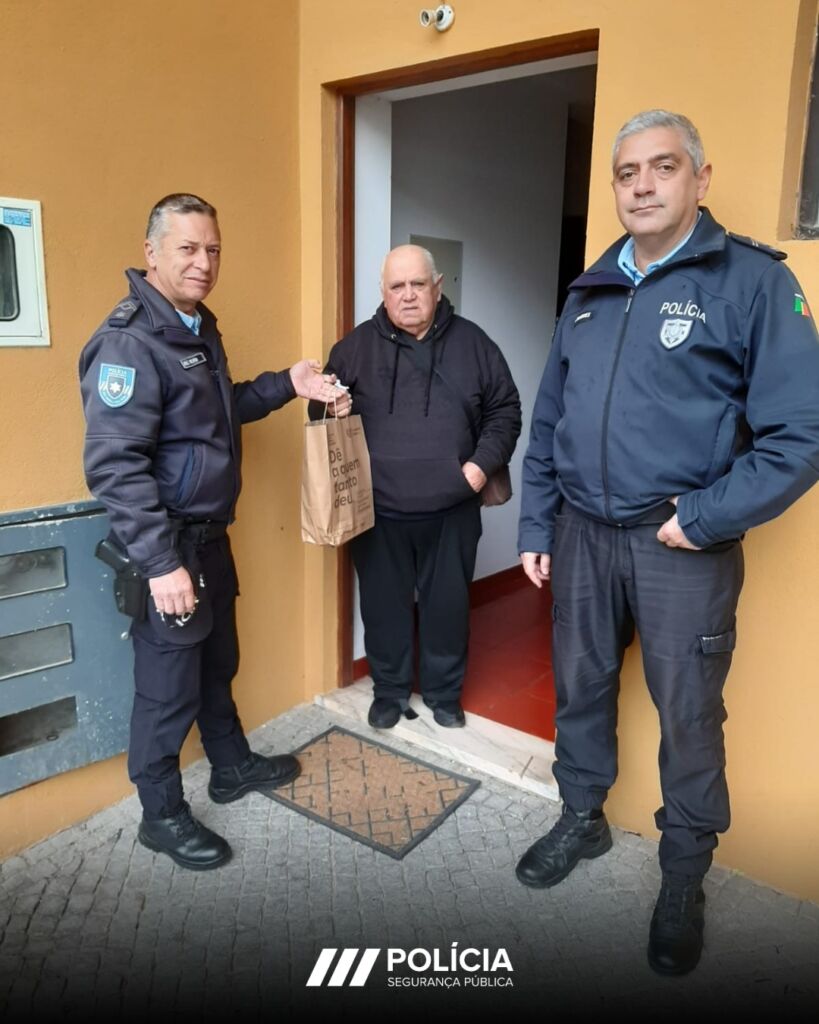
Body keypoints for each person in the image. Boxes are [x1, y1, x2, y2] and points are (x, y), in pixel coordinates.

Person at [516, 111, 819, 975]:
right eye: (626, 172)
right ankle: (580, 817)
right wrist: (536, 524)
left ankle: (683, 875)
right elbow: (550, 420)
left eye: (662, 167)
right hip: (580, 534)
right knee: (580, 688)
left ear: (700, 178)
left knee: (687, 715)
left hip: (677, 546)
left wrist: (705, 518)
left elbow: (800, 436)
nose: (641, 185)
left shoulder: (753, 282)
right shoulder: (589, 289)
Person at [79, 193, 350, 871]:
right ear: (151, 253)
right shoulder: (130, 342)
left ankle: (230, 766)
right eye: (188, 248)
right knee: (166, 688)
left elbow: (216, 414)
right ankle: (160, 814)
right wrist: (159, 562)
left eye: (213, 250)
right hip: (169, 548)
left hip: (208, 541)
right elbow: (116, 466)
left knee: (217, 662)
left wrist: (287, 384)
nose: (203, 262)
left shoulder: (195, 328)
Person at [314, 244, 521, 730]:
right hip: (378, 512)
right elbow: (318, 413)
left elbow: (505, 411)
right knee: (383, 609)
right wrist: (329, 407)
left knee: (446, 608)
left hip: (452, 509)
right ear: (383, 292)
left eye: (417, 284)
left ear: (437, 286)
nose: (407, 295)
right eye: (397, 286)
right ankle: (389, 691)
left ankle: (444, 694)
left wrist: (478, 468)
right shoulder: (353, 348)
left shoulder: (475, 344)